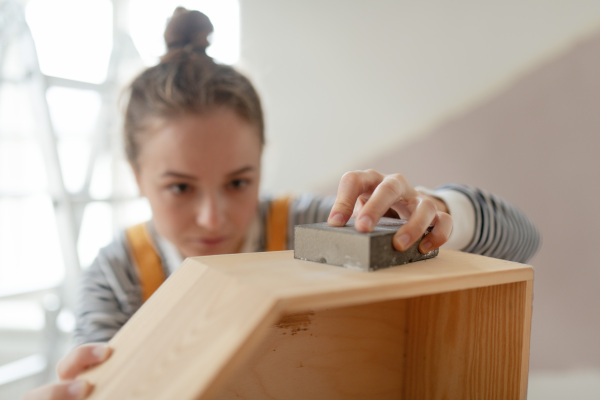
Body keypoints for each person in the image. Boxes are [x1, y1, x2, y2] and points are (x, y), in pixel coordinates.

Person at [24, 6, 540, 399]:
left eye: (238, 182)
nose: (214, 217)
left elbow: (523, 239)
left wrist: (435, 211)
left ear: (262, 162)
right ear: (136, 175)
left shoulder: (310, 228)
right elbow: (93, 371)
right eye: (180, 187)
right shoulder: (117, 274)